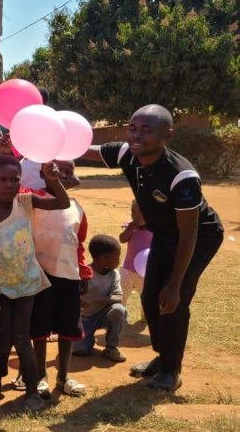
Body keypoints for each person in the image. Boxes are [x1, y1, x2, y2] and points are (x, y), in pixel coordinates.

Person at [81, 104, 223, 391]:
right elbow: (89, 150)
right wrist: (55, 145)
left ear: (167, 134)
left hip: (197, 238)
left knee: (173, 299)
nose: (136, 135)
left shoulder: (181, 176)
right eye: (133, 128)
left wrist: (174, 283)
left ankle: (172, 370)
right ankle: (163, 357)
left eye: (147, 130)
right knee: (150, 300)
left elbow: (188, 234)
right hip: (164, 234)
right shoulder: (128, 154)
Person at [0, 156, 70, 411]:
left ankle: (31, 391)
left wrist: (53, 180)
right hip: (1, 286)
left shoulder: (25, 201)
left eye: (14, 179)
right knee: (3, 338)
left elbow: (63, 202)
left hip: (27, 283)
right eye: (2, 180)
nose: (9, 185)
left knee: (21, 337)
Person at [26, 160, 90, 399]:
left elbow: (78, 244)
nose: (63, 174)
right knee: (39, 328)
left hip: (69, 276)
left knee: (68, 327)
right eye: (57, 169)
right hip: (40, 275)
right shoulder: (33, 199)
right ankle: (41, 375)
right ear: (42, 175)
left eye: (69, 171)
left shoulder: (77, 207)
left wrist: (84, 273)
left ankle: (63, 376)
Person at [74, 235, 127, 363]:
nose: (119, 259)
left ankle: (111, 347)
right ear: (105, 257)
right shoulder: (84, 274)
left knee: (119, 310)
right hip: (85, 318)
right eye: (118, 255)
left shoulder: (114, 274)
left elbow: (118, 297)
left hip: (104, 314)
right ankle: (86, 338)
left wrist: (96, 300)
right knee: (81, 350)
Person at [119, 200, 152, 308]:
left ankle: (145, 316)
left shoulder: (154, 230)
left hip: (145, 273)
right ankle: (119, 313)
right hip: (128, 269)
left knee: (146, 297)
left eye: (141, 213)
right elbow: (122, 239)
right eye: (133, 212)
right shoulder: (131, 227)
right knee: (121, 295)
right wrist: (130, 228)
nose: (136, 216)